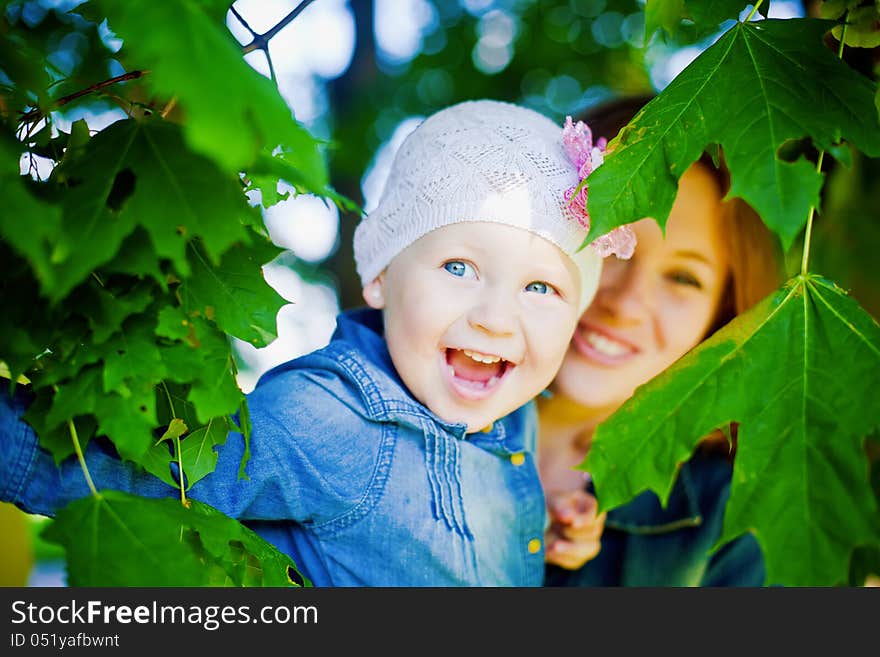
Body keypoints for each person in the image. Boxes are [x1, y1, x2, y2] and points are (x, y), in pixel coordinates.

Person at [0, 99, 631, 587]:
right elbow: (141, 472)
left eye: (542, 287)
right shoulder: (327, 421)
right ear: (381, 274)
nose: (496, 319)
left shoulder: (511, 418)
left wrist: (540, 521)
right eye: (459, 268)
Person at [538, 95, 785, 585]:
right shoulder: (394, 406)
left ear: (721, 317)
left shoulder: (733, 517)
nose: (626, 303)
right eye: (613, 243)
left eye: (683, 279)